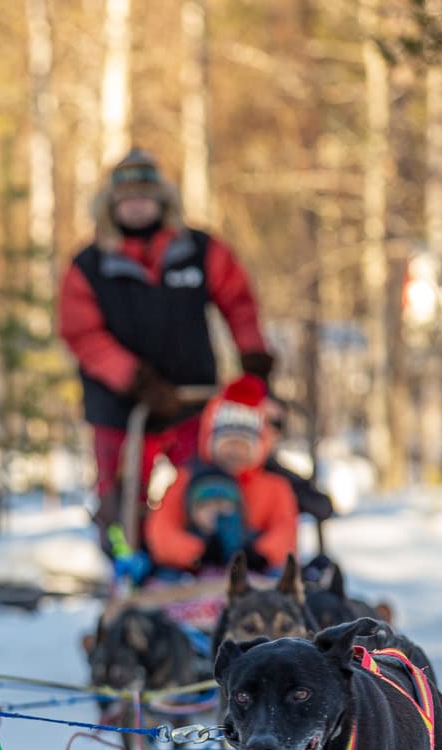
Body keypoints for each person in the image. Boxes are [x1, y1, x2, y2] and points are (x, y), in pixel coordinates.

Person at [57, 148, 274, 526]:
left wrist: (253, 359)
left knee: (202, 487)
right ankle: (126, 565)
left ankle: (204, 562)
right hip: (120, 408)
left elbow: (239, 304)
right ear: (111, 205)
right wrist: (136, 380)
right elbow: (83, 335)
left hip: (190, 398)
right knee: (121, 501)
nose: (137, 206)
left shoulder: (200, 250)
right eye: (128, 199)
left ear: (161, 200)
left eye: (145, 197)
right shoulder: (88, 266)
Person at [145, 375, 298, 575]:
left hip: (257, 572)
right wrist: (198, 552)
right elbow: (162, 531)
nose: (234, 452)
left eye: (242, 446)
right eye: (227, 444)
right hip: (193, 573)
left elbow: (285, 532)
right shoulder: (187, 479)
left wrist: (260, 553)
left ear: (258, 448)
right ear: (211, 443)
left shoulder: (274, 487)